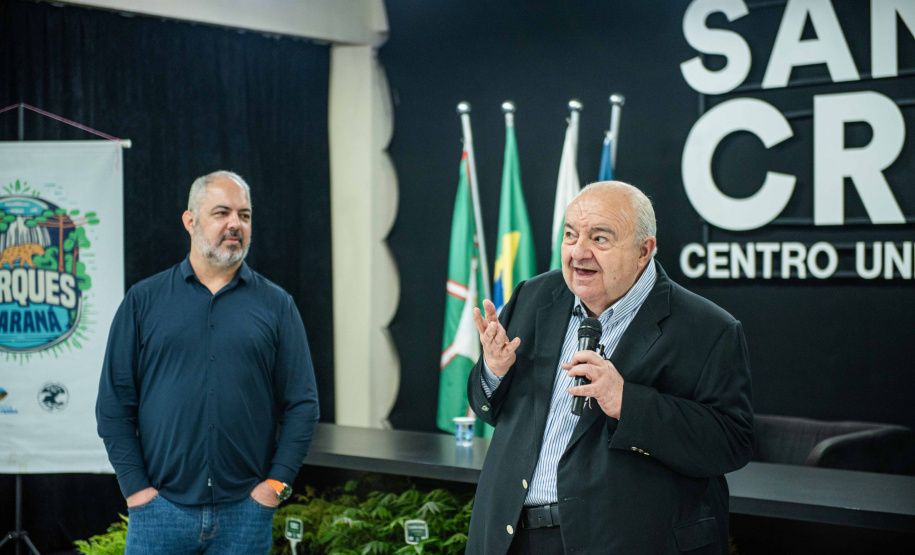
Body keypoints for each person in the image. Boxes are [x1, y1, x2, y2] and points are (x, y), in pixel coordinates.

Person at [466, 181, 753, 554]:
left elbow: (732, 442)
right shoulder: (533, 297)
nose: (578, 252)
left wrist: (626, 403)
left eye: (600, 239)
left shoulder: (709, 329)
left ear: (643, 251)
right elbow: (489, 408)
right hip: (510, 538)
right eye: (570, 235)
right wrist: (494, 370)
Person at [96, 171, 320, 553]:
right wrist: (136, 490)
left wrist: (276, 486)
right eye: (222, 212)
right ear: (190, 221)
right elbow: (113, 407)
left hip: (246, 513)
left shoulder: (277, 305)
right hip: (159, 512)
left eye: (244, 215)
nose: (235, 224)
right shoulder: (143, 301)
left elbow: (303, 404)